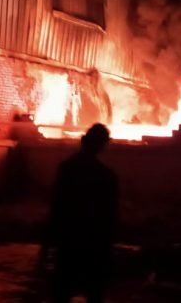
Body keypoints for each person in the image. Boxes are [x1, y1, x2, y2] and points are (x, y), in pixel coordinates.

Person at [42, 123, 119, 303]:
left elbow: (57, 207)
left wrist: (47, 244)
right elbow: (110, 217)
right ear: (103, 146)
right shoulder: (106, 176)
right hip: (95, 244)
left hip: (68, 242)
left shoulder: (66, 169)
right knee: (94, 292)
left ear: (83, 140)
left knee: (62, 292)